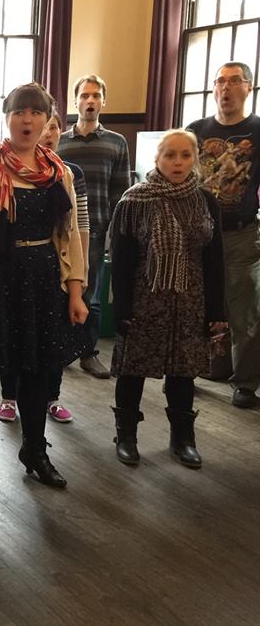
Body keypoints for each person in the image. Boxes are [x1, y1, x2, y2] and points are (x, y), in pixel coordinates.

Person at [0, 82, 88, 500]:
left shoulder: (59, 173)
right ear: (7, 118)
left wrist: (75, 292)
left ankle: (34, 451)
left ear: (47, 120)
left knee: (38, 372)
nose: (27, 120)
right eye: (19, 112)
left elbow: (69, 238)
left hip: (43, 282)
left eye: (36, 113)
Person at [108, 129, 226, 468]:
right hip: (146, 298)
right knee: (133, 369)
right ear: (157, 158)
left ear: (195, 159)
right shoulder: (135, 200)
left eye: (185, 155)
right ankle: (126, 436)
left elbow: (215, 259)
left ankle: (183, 439)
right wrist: (122, 307)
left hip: (191, 299)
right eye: (170, 155)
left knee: (183, 372)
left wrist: (216, 310)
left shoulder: (205, 200)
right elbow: (122, 260)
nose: (178, 162)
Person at [0, 102, 90, 425]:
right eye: (25, 115)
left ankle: (52, 399)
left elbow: (75, 228)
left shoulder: (66, 173)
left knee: (51, 341)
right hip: (11, 270)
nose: (46, 132)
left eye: (51, 125)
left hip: (51, 270)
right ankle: (9, 397)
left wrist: (78, 279)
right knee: (13, 340)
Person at [186, 62, 260, 409]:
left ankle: (244, 382)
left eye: (234, 81)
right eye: (219, 81)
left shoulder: (258, 130)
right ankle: (188, 369)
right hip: (198, 235)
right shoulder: (196, 130)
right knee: (193, 307)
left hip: (241, 236)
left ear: (248, 87)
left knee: (244, 312)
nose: (225, 88)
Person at [56, 74, 132, 379]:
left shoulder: (116, 142)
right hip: (59, 230)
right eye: (85, 95)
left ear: (103, 101)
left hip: (97, 230)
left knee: (92, 295)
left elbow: (121, 192)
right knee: (60, 291)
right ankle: (61, 349)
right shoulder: (58, 141)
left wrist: (117, 232)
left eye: (96, 95)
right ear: (75, 101)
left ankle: (88, 353)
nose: (90, 101)